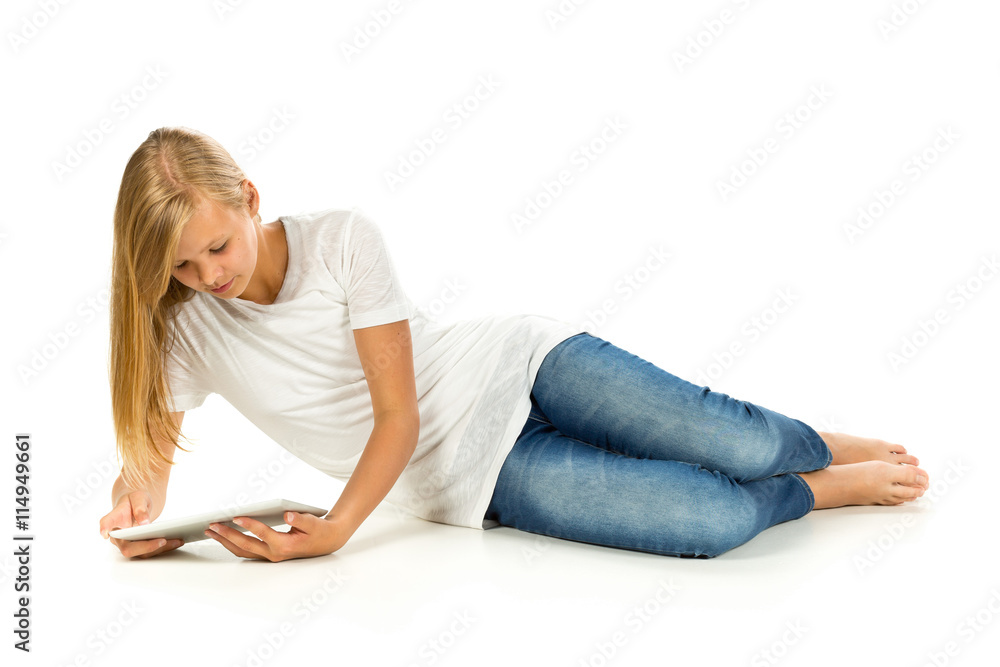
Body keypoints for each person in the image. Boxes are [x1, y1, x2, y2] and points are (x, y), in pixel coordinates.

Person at [99, 126, 930, 562]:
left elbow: (397, 416)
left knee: (739, 440)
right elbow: (152, 463)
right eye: (179, 264)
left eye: (217, 245)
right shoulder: (185, 329)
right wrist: (141, 516)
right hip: (478, 477)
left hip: (519, 366)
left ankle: (814, 443)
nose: (208, 273)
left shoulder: (343, 240)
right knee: (706, 518)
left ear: (247, 198)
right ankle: (815, 489)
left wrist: (337, 527)